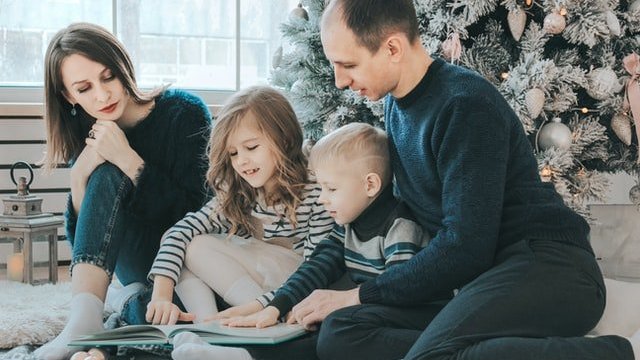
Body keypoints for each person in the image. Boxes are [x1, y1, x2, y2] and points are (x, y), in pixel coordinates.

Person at [289, 1, 637, 359]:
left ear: (392, 48)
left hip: (550, 268)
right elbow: (374, 220)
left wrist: (359, 294)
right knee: (341, 332)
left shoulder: (464, 105)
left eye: (348, 64)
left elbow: (465, 246)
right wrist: (280, 302)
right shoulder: (396, 104)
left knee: (430, 353)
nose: (339, 80)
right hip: (481, 280)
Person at [169, 122, 433, 360]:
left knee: (330, 328)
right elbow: (317, 266)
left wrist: (336, 308)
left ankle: (241, 356)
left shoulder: (400, 228)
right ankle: (235, 351)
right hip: (370, 312)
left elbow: (396, 292)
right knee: (316, 323)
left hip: (408, 315)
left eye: (331, 189)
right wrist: (276, 306)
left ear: (370, 185)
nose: (322, 198)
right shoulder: (348, 226)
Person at [34, 22, 211, 360]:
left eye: (108, 77)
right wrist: (78, 177)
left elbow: (197, 212)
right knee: (103, 171)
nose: (101, 95)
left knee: (173, 313)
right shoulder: (91, 132)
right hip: (135, 261)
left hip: (187, 259)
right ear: (69, 96)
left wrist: (130, 161)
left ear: (123, 67)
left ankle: (123, 300)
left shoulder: (184, 113)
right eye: (84, 88)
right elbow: (86, 242)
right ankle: (84, 320)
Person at [143, 85, 335, 329]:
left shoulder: (315, 191)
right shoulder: (240, 191)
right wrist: (161, 296)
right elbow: (178, 232)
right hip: (255, 292)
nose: (241, 161)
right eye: (233, 153)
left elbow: (316, 270)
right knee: (184, 246)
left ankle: (249, 322)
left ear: (285, 139)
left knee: (196, 247)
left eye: (251, 147)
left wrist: (267, 306)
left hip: (297, 290)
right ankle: (207, 327)